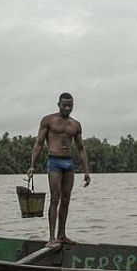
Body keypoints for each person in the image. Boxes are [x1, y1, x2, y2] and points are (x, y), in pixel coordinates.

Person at [28, 92, 91, 246]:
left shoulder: (75, 124)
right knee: (55, 197)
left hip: (69, 163)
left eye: (70, 105)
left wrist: (86, 171)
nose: (67, 108)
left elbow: (81, 149)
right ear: (58, 104)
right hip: (54, 161)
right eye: (64, 105)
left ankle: (61, 235)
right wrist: (32, 166)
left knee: (66, 199)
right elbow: (39, 143)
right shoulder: (48, 120)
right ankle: (51, 238)